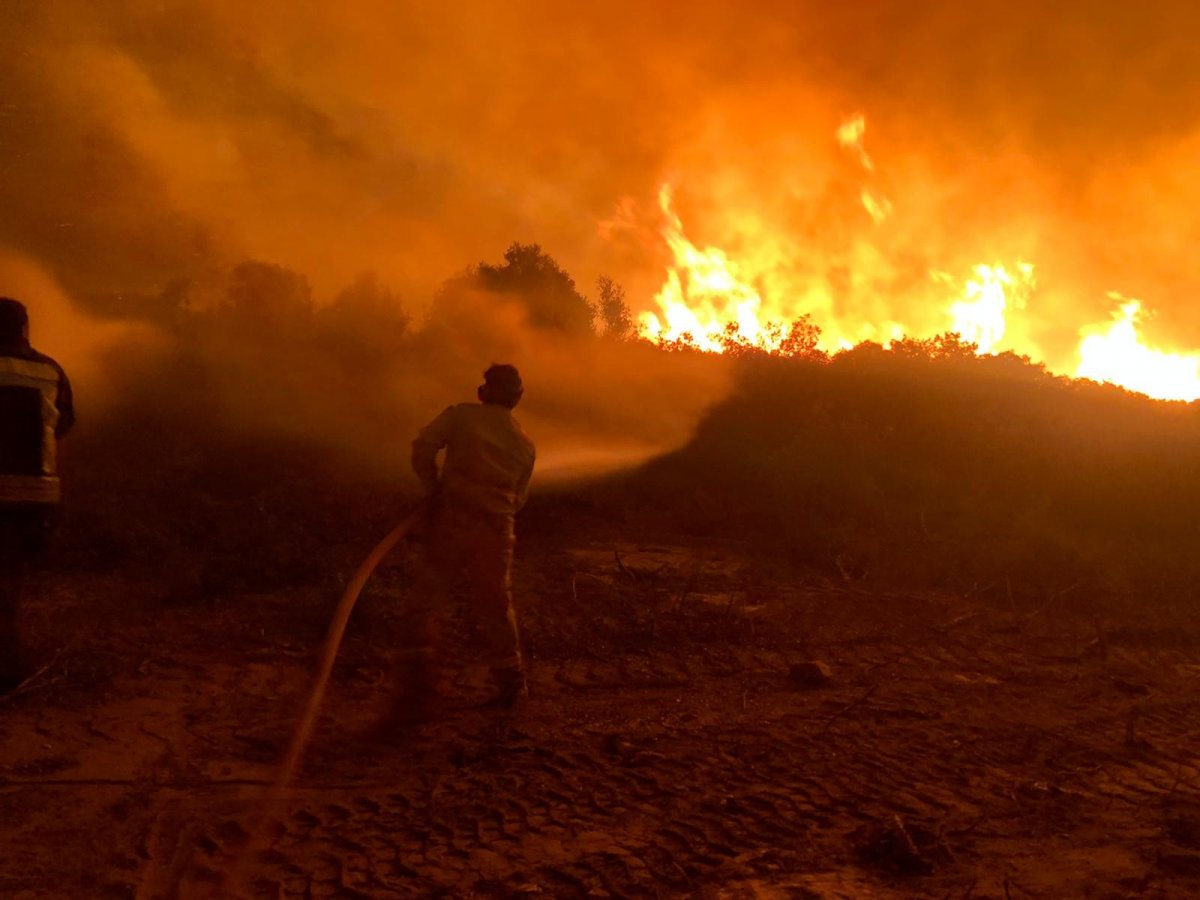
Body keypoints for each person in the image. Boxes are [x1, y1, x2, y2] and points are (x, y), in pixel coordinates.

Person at [389, 364, 535, 724]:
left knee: (426, 597)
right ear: (517, 397)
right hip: (497, 528)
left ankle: (417, 684)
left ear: (482, 391)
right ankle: (511, 684)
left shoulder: (460, 416)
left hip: (453, 519)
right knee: (496, 603)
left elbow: (423, 447)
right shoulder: (524, 445)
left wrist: (432, 487)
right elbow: (518, 500)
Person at [0, 298, 74, 693]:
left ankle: (9, 669)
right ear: (25, 328)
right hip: (35, 493)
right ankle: (10, 665)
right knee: (10, 579)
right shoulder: (50, 370)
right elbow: (60, 429)